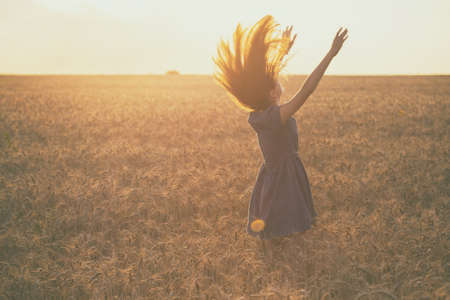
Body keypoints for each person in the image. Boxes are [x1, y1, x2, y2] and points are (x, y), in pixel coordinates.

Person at [212, 15, 348, 255]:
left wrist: (281, 51)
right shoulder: (276, 117)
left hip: (276, 176)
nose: (278, 76)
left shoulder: (261, 114)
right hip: (284, 181)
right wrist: (331, 54)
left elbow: (264, 79)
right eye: (274, 79)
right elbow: (307, 90)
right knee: (289, 236)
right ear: (270, 91)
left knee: (281, 241)